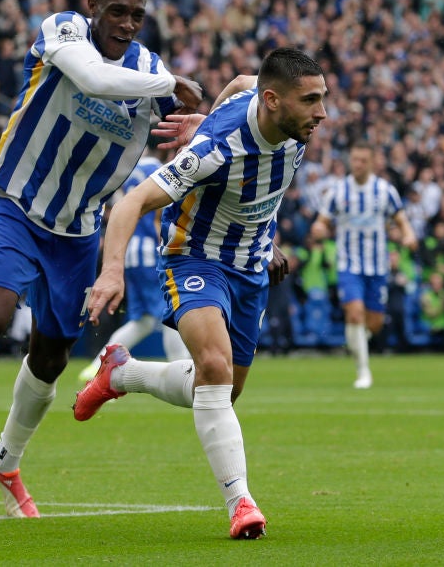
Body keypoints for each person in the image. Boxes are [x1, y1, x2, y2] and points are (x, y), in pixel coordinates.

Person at [0, 0, 202, 518]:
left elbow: (186, 129)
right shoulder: (62, 30)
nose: (128, 23)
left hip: (79, 228)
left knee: (53, 355)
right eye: (117, 11)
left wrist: (193, 122)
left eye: (138, 15)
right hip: (14, 202)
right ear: (93, 6)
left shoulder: (151, 71)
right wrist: (168, 86)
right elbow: (92, 79)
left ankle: (5, 460)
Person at [76, 47, 327, 539]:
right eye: (312, 100)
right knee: (213, 367)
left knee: (222, 391)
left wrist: (210, 113)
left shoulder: (287, 119)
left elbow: (238, 80)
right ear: (275, 101)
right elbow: (132, 203)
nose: (322, 113)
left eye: (322, 98)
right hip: (195, 258)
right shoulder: (214, 149)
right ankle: (241, 503)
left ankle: (122, 374)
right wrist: (111, 272)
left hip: (252, 267)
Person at [76, 144, 189, 383]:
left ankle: (98, 364)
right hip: (149, 253)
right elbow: (159, 216)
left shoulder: (134, 169)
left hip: (130, 253)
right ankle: (184, 368)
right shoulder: (161, 170)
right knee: (169, 311)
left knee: (144, 321)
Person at [309, 142, 417, 388]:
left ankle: (356, 341)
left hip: (378, 266)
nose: (357, 165)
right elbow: (322, 221)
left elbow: (401, 219)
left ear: (372, 162)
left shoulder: (384, 190)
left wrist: (409, 235)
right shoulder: (338, 191)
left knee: (374, 323)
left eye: (362, 160)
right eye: (354, 159)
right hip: (349, 264)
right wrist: (319, 228)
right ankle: (363, 372)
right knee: (354, 313)